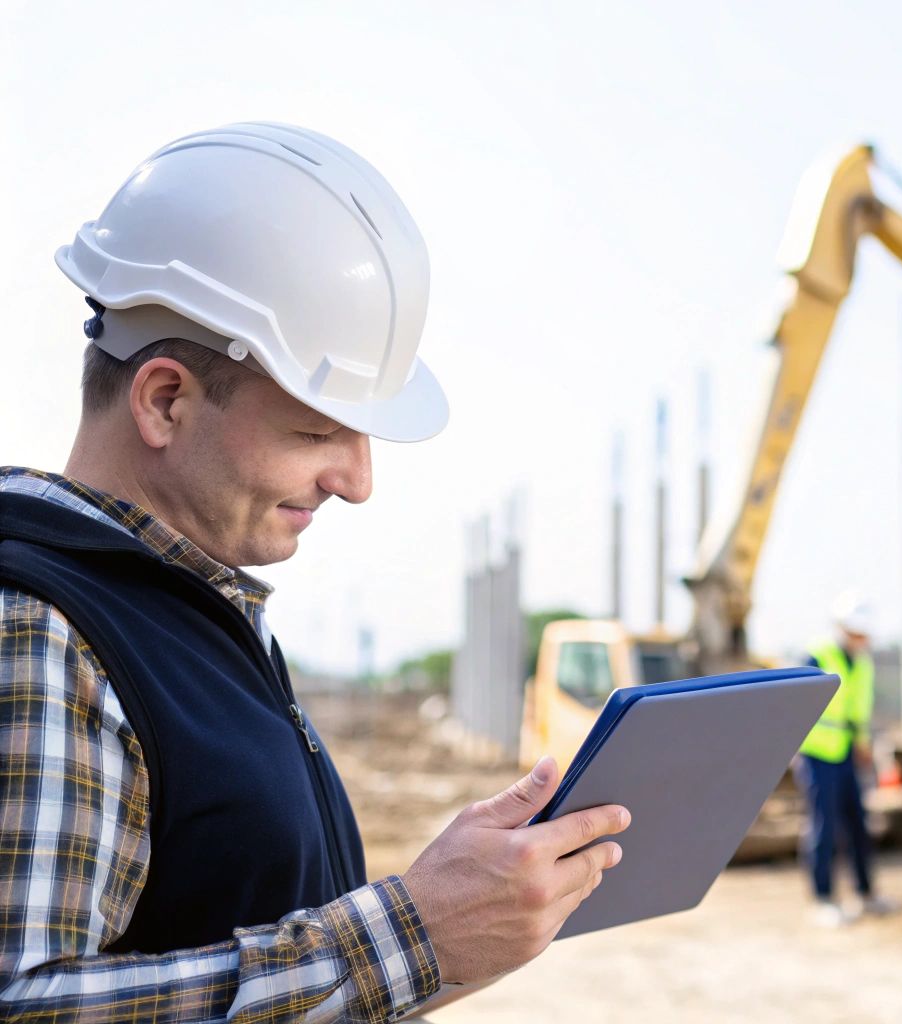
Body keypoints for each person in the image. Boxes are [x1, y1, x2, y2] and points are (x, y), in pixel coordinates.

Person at [0, 123, 629, 1022]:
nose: (357, 482)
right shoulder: (42, 629)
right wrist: (410, 934)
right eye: (316, 432)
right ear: (166, 400)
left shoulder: (192, 619)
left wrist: (465, 929)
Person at [794, 591, 894, 926]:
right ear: (843, 628)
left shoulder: (862, 662)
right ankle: (823, 897)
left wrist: (864, 747)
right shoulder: (817, 655)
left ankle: (866, 893)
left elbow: (858, 712)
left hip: (849, 752)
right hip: (819, 753)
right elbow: (799, 706)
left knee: (857, 824)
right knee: (824, 825)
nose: (861, 639)